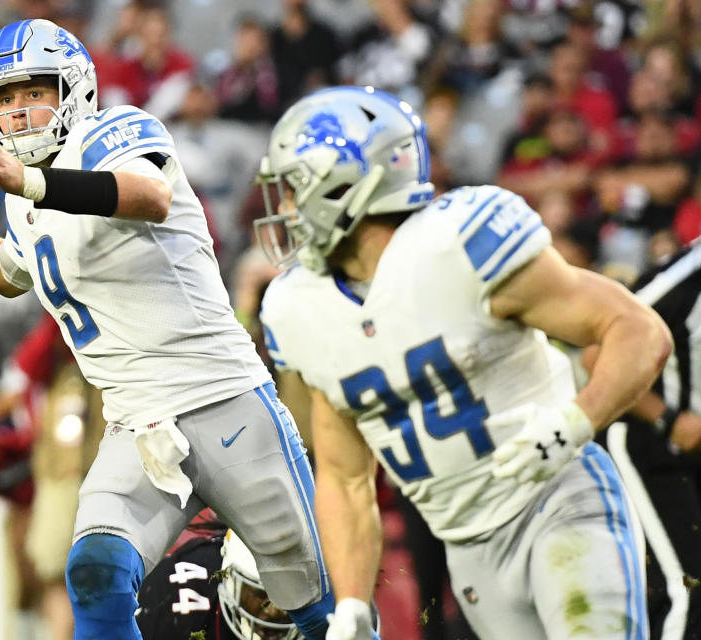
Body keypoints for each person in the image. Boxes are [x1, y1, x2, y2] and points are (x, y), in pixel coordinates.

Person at [0, 18, 338, 640]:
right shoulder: (24, 193)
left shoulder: (116, 131)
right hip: (137, 426)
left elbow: (147, 195)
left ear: (73, 89)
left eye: (33, 92)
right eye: (5, 99)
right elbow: (3, 269)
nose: (18, 112)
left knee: (314, 609)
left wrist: (35, 184)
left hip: (226, 405)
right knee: (95, 573)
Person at [255, 85, 672, 639]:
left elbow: (638, 330)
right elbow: (345, 476)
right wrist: (353, 603)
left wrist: (575, 422)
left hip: (556, 501)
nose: (284, 208)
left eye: (293, 189)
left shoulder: (459, 246)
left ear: (346, 182)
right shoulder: (298, 307)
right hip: (468, 549)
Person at [591, 242, 701, 638]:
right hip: (647, 447)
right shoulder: (680, 279)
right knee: (688, 588)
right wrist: (668, 419)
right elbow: (596, 350)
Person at [136, 524, 303, 640]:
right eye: (262, 593)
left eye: (289, 590)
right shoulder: (175, 601)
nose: (274, 611)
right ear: (229, 578)